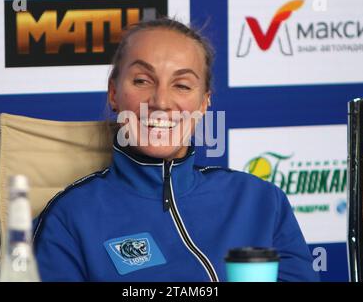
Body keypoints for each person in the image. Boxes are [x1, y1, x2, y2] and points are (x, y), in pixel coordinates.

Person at [33, 17, 319, 282]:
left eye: (182, 85)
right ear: (114, 93)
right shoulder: (70, 218)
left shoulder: (261, 202)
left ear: (204, 103)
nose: (161, 102)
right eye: (142, 81)